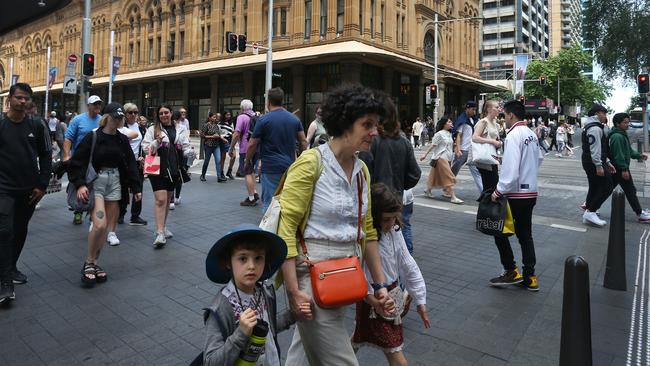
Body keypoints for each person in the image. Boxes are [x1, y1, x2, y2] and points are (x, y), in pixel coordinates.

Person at [278, 84, 395, 365]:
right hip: (311, 280)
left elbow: (367, 230)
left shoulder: (362, 170)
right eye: (367, 124)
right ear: (344, 123)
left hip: (344, 278)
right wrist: (294, 292)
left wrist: (380, 284)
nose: (374, 132)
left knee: (301, 357)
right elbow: (286, 230)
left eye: (376, 125)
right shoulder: (310, 164)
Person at [201, 224, 305, 365]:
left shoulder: (263, 293)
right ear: (228, 262)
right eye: (243, 258)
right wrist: (240, 334)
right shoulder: (221, 308)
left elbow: (269, 326)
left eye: (258, 258)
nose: (251, 266)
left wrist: (293, 315)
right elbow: (210, 361)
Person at [351, 184, 430, 364]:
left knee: (358, 339)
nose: (391, 223)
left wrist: (421, 300)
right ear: (373, 216)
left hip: (391, 297)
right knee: (397, 357)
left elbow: (407, 263)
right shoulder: (363, 238)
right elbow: (358, 274)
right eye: (386, 219)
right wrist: (372, 300)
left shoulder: (394, 231)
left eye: (395, 218)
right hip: (373, 300)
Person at [68, 103, 141, 286]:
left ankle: (95, 263)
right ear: (107, 117)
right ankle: (89, 262)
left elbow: (130, 163)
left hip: (115, 183)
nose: (118, 120)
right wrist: (80, 184)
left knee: (107, 227)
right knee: (99, 225)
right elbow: (78, 161)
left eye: (120, 118)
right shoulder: (93, 136)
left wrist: (136, 187)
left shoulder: (122, 139)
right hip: (97, 183)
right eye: (115, 117)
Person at [0, 83, 52, 304]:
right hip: (4, 189)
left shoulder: (38, 125)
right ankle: (5, 282)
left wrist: (42, 185)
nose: (23, 102)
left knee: (20, 230)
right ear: (10, 99)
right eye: (19, 98)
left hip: (30, 190)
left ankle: (11, 268)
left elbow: (47, 156)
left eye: (26, 98)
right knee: (5, 231)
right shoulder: (1, 125)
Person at [489, 100, 543, 291]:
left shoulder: (513, 135)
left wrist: (498, 191)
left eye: (504, 116)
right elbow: (539, 158)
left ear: (511, 115)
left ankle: (511, 270)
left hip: (515, 194)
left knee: (499, 232)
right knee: (525, 235)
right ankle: (530, 277)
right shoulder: (531, 134)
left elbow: (510, 172)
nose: (504, 119)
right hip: (530, 193)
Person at [358, 99, 421, 253]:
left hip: (375, 202)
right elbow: (415, 173)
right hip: (397, 198)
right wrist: (400, 185)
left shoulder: (371, 142)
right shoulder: (403, 141)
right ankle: (405, 259)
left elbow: (362, 173)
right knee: (399, 231)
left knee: (377, 241)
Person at [246, 87, 308, 212]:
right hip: (290, 167)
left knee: (269, 203)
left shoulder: (263, 119)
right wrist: (301, 158)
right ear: (282, 100)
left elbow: (252, 143)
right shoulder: (294, 119)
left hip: (271, 167)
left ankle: (268, 230)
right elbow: (303, 141)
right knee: (286, 201)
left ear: (269, 102)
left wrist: (248, 160)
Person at [142, 104, 192, 248]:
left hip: (174, 168)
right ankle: (159, 233)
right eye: (161, 113)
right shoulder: (153, 130)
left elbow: (186, 146)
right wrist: (156, 142)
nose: (164, 115)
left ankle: (163, 227)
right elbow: (146, 149)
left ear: (171, 113)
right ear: (158, 115)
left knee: (168, 198)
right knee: (160, 200)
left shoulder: (180, 129)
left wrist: (190, 153)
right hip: (157, 168)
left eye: (166, 112)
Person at [64, 95, 103, 225]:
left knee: (94, 187)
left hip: (96, 161)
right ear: (88, 106)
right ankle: (78, 211)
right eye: (94, 104)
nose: (97, 106)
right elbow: (68, 138)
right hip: (80, 160)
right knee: (80, 185)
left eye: (99, 104)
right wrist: (66, 155)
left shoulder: (102, 120)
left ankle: (92, 212)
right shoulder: (78, 120)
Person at [608, 113, 650, 223]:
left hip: (618, 168)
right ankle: (640, 214)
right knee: (630, 191)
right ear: (617, 123)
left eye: (628, 122)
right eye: (625, 122)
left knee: (605, 190)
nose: (628, 124)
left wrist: (639, 155)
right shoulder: (617, 136)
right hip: (619, 169)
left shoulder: (621, 134)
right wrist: (624, 170)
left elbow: (628, 151)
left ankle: (590, 207)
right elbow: (619, 155)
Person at [581, 104, 616, 227]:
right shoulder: (595, 128)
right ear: (597, 114)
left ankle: (589, 212)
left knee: (594, 186)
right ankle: (591, 211)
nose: (605, 116)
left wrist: (606, 162)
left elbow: (598, 148)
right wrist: (599, 165)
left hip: (589, 161)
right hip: (592, 162)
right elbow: (595, 148)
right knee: (607, 186)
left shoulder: (590, 126)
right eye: (604, 113)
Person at [117, 103, 147, 227]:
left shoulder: (140, 127)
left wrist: (142, 157)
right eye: (130, 112)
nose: (134, 115)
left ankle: (135, 216)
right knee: (122, 188)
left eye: (135, 112)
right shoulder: (120, 126)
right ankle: (120, 214)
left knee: (138, 188)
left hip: (137, 162)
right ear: (125, 114)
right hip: (123, 162)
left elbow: (143, 144)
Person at [421, 117, 463, 204]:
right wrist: (425, 154)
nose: (451, 124)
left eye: (452, 122)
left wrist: (457, 151)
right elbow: (433, 145)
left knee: (434, 175)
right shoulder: (439, 134)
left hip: (448, 157)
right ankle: (453, 197)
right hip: (440, 157)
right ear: (444, 124)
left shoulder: (449, 134)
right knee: (448, 176)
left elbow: (451, 146)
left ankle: (428, 190)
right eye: (449, 122)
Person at [229, 100, 260, 206]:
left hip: (245, 148)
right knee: (252, 172)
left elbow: (236, 134)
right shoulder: (256, 115)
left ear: (242, 107)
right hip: (257, 148)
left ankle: (251, 198)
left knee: (247, 172)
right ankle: (254, 192)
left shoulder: (241, 117)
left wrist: (231, 148)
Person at [451, 101, 483, 193]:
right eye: (473, 109)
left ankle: (483, 192)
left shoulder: (473, 120)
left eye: (475, 109)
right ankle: (446, 186)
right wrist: (457, 149)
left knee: (476, 171)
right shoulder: (462, 120)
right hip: (463, 150)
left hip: (471, 150)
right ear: (468, 109)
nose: (474, 111)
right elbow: (458, 135)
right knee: (454, 170)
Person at [472, 100, 503, 194]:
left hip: (492, 156)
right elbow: (475, 137)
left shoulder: (495, 123)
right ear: (489, 109)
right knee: (491, 185)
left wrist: (498, 143)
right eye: (496, 107)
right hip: (485, 157)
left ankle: (487, 206)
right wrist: (492, 141)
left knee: (491, 185)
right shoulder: (483, 122)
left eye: (499, 107)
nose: (499, 109)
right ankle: (488, 206)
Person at [200, 112, 228, 182]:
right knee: (206, 161)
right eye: (213, 117)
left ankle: (219, 177)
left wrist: (223, 139)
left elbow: (218, 135)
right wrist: (212, 136)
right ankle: (202, 175)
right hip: (208, 145)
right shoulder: (206, 125)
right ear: (209, 118)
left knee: (218, 161)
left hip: (216, 146)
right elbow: (202, 135)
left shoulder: (217, 126)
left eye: (215, 117)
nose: (215, 118)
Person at [217, 112, 237, 179]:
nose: (228, 116)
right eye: (227, 115)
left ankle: (229, 171)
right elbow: (218, 133)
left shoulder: (231, 123)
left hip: (230, 140)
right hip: (223, 140)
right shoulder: (220, 123)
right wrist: (222, 138)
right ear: (224, 115)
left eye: (229, 115)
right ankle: (221, 172)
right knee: (223, 157)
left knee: (234, 156)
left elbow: (233, 132)